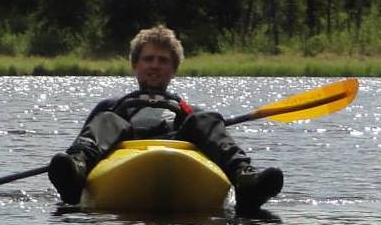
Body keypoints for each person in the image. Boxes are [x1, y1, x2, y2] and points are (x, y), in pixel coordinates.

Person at [47, 25, 284, 215]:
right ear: (135, 65)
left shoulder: (191, 113)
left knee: (207, 118)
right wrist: (71, 168)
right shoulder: (110, 109)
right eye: (148, 59)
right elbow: (83, 139)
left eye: (163, 61)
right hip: (124, 152)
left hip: (178, 148)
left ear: (173, 68)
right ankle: (76, 172)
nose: (155, 66)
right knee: (107, 119)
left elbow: (203, 129)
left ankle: (244, 177)